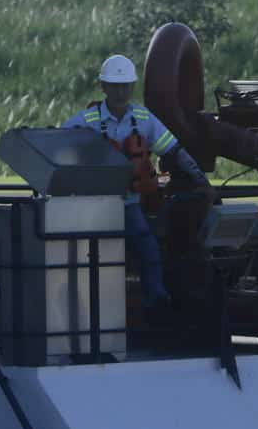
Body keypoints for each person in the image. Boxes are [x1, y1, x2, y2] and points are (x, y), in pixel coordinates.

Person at [62, 54, 207, 309]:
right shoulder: (84, 122)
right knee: (89, 256)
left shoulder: (144, 119)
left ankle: (157, 300)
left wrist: (201, 181)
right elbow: (56, 145)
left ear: (131, 86)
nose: (120, 91)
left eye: (125, 85)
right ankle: (86, 307)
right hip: (93, 207)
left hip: (128, 203)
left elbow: (174, 151)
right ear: (104, 87)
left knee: (148, 247)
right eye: (115, 86)